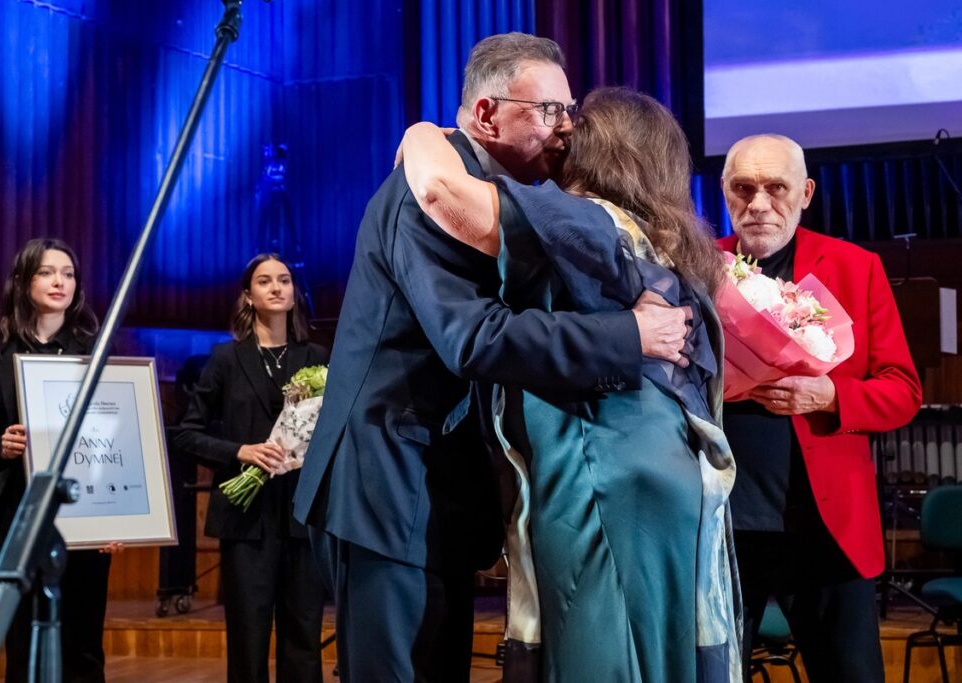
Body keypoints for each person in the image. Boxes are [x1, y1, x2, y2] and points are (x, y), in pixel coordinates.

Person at [292, 33, 693, 682]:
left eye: (570, 111)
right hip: (385, 483)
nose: (566, 129)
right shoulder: (427, 194)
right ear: (487, 114)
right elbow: (472, 338)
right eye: (549, 111)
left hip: (436, 487)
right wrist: (629, 336)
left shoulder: (491, 192)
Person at [402, 87, 741, 682]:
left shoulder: (587, 220)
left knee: (602, 652)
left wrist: (420, 134)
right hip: (660, 466)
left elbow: (439, 191)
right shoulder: (664, 239)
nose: (560, 132)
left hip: (601, 466)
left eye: (573, 125)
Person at [717, 134, 922, 682]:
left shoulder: (856, 267)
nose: (759, 204)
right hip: (723, 524)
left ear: (805, 193)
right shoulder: (696, 266)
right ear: (725, 191)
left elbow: (903, 391)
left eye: (776, 188)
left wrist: (831, 397)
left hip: (826, 527)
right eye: (743, 189)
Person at [0, 238, 118, 683]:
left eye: (68, 273)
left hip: (83, 510)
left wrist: (117, 518)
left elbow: (117, 437)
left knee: (84, 641)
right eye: (46, 272)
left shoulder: (94, 350)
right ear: (24, 281)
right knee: (22, 637)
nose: (59, 281)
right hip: (14, 510)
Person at [173, 254, 329, 683]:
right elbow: (186, 434)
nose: (277, 287)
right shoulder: (226, 359)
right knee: (248, 639)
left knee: (304, 639)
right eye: (265, 281)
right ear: (248, 296)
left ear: (294, 293)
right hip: (245, 521)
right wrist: (240, 451)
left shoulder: (317, 358)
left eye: (285, 280)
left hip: (302, 517)